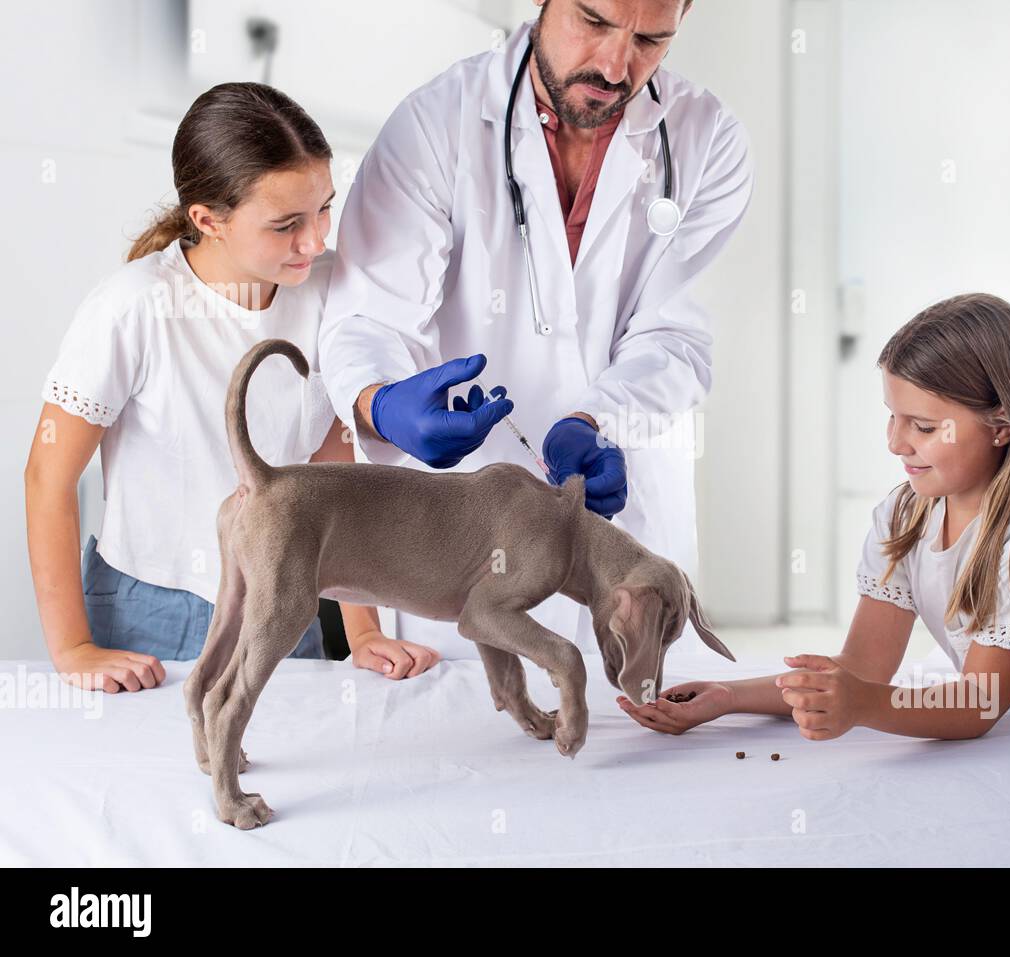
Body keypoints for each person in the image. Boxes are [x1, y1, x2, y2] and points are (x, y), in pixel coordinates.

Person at [619, 293, 1010, 838]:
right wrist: (728, 697)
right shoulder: (905, 515)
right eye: (892, 416)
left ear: (1001, 426)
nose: (896, 442)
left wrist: (863, 706)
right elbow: (864, 666)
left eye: (923, 426)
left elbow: (978, 703)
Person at [319, 0, 754, 659]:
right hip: (462, 531)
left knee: (640, 733)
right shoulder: (436, 125)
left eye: (651, 41)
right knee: (463, 737)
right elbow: (368, 318)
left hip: (624, 517)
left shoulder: (707, 139)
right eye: (595, 22)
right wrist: (382, 402)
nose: (615, 66)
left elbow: (676, 337)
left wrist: (597, 418)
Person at [25, 82, 437, 693]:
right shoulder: (133, 307)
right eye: (286, 224)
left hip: (285, 589)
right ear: (207, 220)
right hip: (149, 606)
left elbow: (331, 467)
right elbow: (47, 478)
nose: (316, 240)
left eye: (325, 207)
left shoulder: (326, 292)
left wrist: (363, 630)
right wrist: (75, 648)